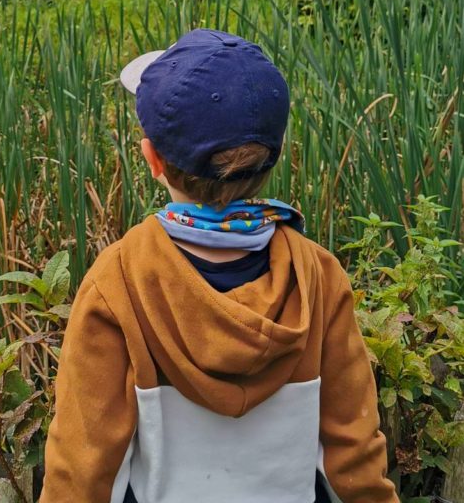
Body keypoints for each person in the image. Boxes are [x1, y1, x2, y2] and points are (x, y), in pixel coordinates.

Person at [40, 29, 398, 503]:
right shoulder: (318, 276)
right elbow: (353, 457)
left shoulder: (119, 281)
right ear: (270, 160)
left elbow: (82, 470)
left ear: (152, 159)